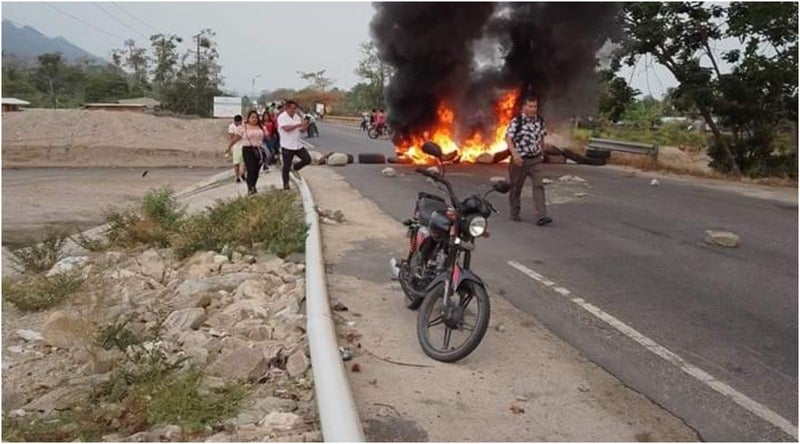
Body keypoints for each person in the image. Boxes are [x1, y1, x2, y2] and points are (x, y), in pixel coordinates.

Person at [505, 95, 552, 225]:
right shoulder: (517, 121)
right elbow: (508, 138)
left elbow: (541, 137)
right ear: (524, 107)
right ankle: (514, 212)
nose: (533, 109)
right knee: (516, 188)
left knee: (539, 186)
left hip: (535, 160)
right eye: (530, 106)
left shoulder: (539, 121)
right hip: (520, 160)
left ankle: (541, 215)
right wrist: (515, 155)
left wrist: (542, 152)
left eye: (535, 106)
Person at [227, 110, 264, 195]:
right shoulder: (243, 127)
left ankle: (253, 185)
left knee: (256, 170)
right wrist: (229, 147)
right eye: (252, 117)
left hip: (258, 150)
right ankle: (250, 188)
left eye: (256, 117)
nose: (254, 119)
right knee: (251, 169)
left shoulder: (260, 126)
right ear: (248, 118)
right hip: (248, 150)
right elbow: (236, 138)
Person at [277, 100, 312, 190]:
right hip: (287, 145)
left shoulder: (296, 117)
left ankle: (295, 167)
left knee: (307, 159)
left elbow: (302, 130)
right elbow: (286, 129)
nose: (294, 110)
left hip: (297, 144)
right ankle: (286, 184)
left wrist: (306, 124)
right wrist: (299, 124)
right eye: (292, 108)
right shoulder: (282, 117)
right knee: (286, 166)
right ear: (287, 108)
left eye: (295, 108)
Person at [226, 114, 245, 183]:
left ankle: (243, 173)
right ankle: (237, 176)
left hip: (243, 145)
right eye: (237, 123)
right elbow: (232, 137)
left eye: (239, 122)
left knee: (244, 161)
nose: (238, 124)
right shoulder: (231, 126)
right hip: (236, 146)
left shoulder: (244, 125)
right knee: (236, 162)